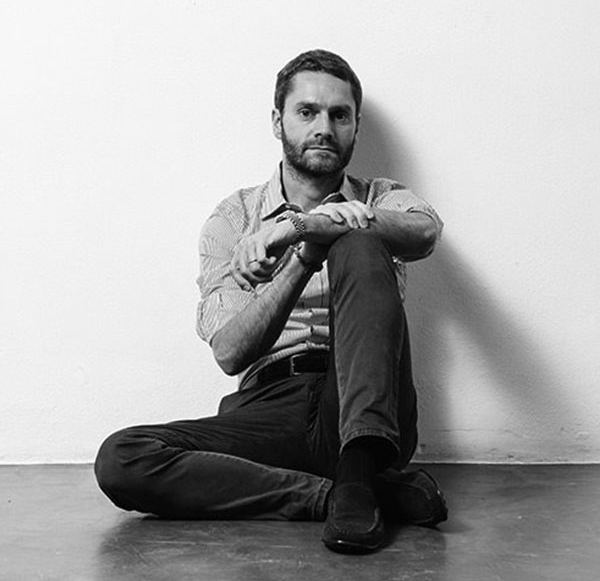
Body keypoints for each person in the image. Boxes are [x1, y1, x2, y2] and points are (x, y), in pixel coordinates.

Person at [95, 49, 447, 554]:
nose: (324, 128)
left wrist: (303, 226)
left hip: (364, 405)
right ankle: (343, 493)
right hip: (268, 408)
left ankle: (358, 466)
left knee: (360, 238)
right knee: (122, 458)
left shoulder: (378, 197)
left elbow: (425, 232)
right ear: (278, 121)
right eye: (307, 112)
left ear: (355, 127)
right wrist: (304, 259)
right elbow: (229, 353)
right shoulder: (234, 219)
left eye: (339, 115)